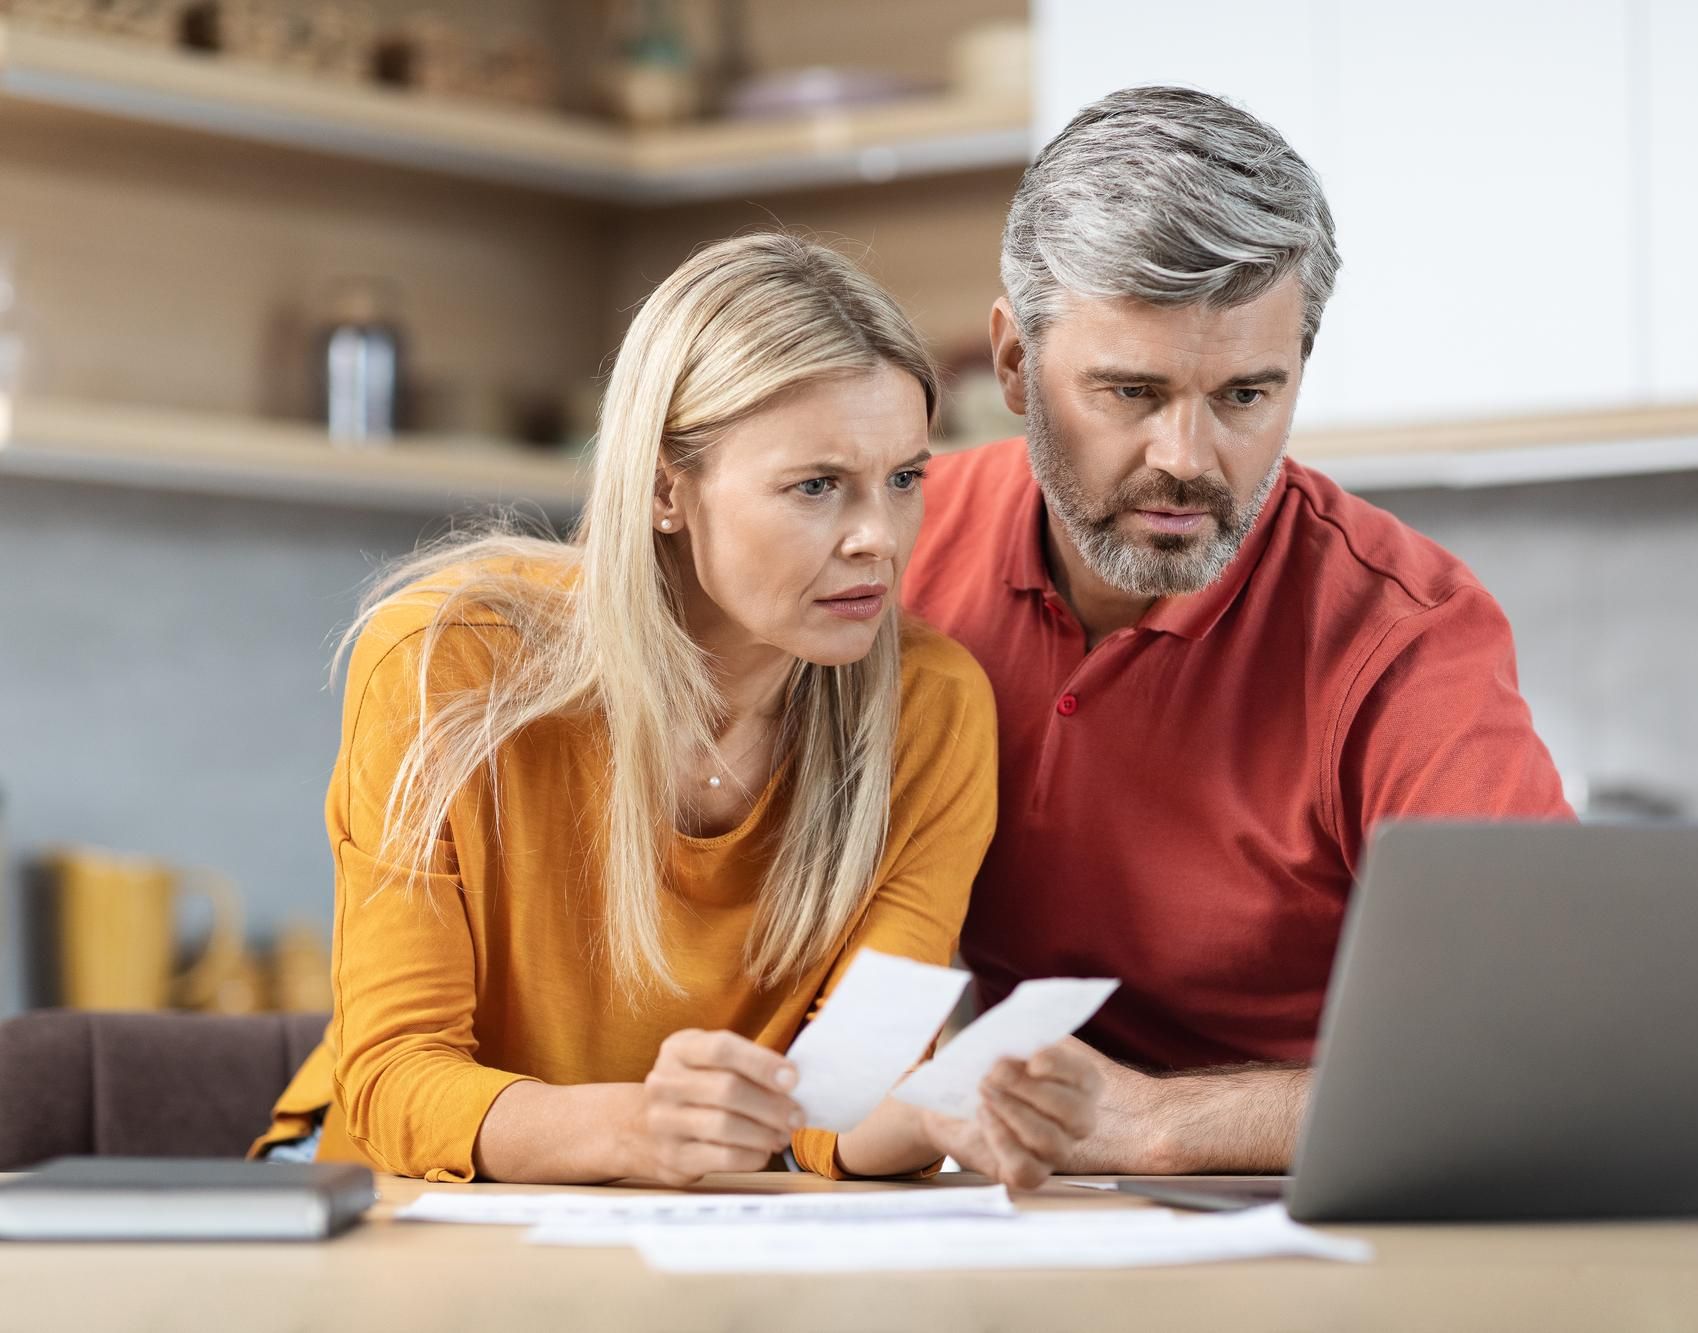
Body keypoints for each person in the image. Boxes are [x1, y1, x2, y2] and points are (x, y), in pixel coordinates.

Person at [252, 234, 1100, 1189]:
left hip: (690, 1219)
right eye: (817, 486)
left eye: (904, 479)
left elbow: (842, 1101)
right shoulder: (444, 660)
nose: (880, 539)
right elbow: (393, 1077)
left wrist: (937, 1112)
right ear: (665, 487)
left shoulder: (932, 708)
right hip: (393, 1211)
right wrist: (633, 1128)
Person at [902, 86, 1573, 1175]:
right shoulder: (895, 550)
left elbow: (1547, 1037)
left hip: (1321, 1192)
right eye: (1128, 391)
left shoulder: (1400, 635)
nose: (1188, 459)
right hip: (1022, 1199)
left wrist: (1165, 1125)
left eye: (1245, 395)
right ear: (1015, 366)